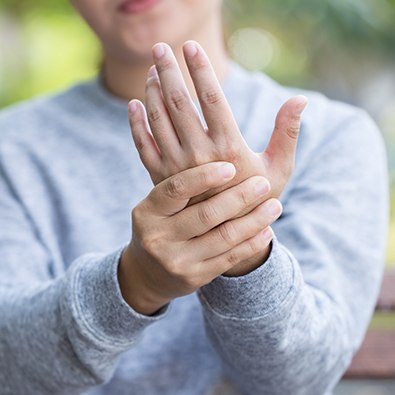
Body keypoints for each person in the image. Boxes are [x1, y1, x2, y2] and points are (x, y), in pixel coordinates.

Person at [0, 0, 388, 394]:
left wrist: (244, 252)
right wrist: (134, 283)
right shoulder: (10, 148)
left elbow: (299, 380)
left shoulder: (329, 136)